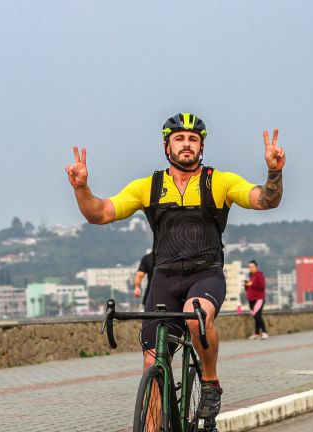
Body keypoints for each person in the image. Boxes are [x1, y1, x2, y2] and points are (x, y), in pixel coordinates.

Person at [65, 112, 285, 421]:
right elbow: (99, 213)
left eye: (193, 139)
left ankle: (209, 383)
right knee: (153, 361)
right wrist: (81, 189)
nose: (186, 144)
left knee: (197, 318)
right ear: (166, 146)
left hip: (206, 274)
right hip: (165, 278)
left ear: (201, 147)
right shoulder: (149, 187)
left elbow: (265, 200)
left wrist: (273, 172)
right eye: (179, 138)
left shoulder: (219, 182)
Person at [245, 260, 268, 339]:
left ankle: (264, 332)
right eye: (249, 267)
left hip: (258, 298)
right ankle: (257, 333)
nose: (250, 268)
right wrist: (247, 285)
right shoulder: (251, 276)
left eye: (252, 267)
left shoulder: (259, 275)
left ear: (256, 267)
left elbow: (262, 286)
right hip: (251, 299)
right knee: (255, 316)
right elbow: (248, 289)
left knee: (257, 316)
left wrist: (252, 284)